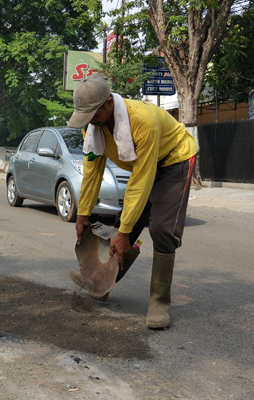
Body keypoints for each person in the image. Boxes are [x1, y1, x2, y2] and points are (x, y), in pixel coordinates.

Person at [67, 73, 198, 329]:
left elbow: (142, 178)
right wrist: (83, 213)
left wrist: (126, 231)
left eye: (93, 114)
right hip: (146, 167)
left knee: (161, 229)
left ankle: (159, 302)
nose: (89, 122)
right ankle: (101, 284)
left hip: (174, 161)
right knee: (123, 225)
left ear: (108, 104)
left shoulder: (142, 121)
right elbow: (92, 169)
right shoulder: (94, 127)